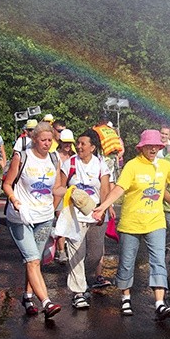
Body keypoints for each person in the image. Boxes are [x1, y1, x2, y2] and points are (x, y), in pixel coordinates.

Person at [92, 129, 170, 320]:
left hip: (155, 222)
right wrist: (102, 207)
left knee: (158, 261)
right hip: (131, 223)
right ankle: (126, 297)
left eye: (156, 146)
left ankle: (159, 303)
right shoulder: (132, 166)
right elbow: (119, 189)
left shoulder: (163, 165)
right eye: (149, 146)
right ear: (142, 147)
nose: (153, 149)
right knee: (127, 261)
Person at [2, 121, 66, 319]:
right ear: (34, 139)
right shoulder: (22, 157)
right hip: (21, 217)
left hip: (44, 217)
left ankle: (28, 297)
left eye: (50, 140)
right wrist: (15, 201)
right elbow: (7, 184)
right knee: (32, 259)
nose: (47, 144)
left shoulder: (54, 159)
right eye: (43, 140)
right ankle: (46, 302)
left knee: (35, 261)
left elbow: (56, 189)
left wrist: (73, 191)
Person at [58, 129, 112, 309]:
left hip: (96, 215)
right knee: (76, 254)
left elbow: (105, 190)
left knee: (96, 255)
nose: (79, 147)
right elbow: (58, 187)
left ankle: (84, 281)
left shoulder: (101, 165)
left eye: (83, 144)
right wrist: (66, 197)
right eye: (78, 144)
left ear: (93, 147)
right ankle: (78, 293)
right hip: (74, 216)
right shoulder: (69, 164)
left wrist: (102, 210)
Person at [54, 128, 76, 263]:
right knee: (61, 219)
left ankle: (68, 247)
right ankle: (61, 251)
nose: (68, 146)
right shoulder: (54, 156)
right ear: (60, 142)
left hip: (72, 192)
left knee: (71, 221)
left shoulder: (74, 157)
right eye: (65, 143)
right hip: (59, 192)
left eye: (70, 143)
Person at [92, 113, 124, 181]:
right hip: (113, 154)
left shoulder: (97, 130)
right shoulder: (112, 130)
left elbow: (95, 143)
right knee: (111, 178)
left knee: (103, 176)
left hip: (104, 154)